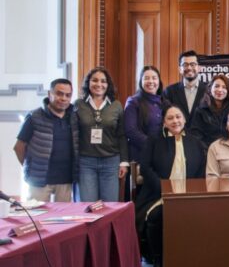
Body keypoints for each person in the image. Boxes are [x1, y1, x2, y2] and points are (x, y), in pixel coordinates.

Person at [137, 105, 206, 267]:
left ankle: (188, 259)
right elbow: (145, 168)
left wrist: (190, 193)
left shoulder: (196, 142)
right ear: (164, 122)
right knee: (156, 216)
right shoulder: (154, 141)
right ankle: (158, 260)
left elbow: (200, 171)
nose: (175, 121)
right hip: (157, 194)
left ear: (184, 119)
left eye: (178, 117)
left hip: (188, 196)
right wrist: (164, 189)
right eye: (170, 118)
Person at [13, 78, 79, 202]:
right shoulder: (34, 116)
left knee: (64, 214)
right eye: (59, 94)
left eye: (68, 95)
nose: (64, 98)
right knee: (37, 213)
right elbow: (18, 147)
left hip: (65, 180)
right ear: (50, 94)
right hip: (39, 180)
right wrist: (30, 167)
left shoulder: (74, 117)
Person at [75, 67, 129, 202]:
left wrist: (123, 162)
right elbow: (74, 135)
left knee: (110, 205)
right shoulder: (78, 104)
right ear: (88, 83)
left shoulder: (116, 105)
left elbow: (122, 135)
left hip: (111, 161)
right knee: (87, 205)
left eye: (103, 81)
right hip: (86, 162)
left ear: (108, 84)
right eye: (95, 80)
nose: (99, 84)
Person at [124, 65, 167, 164]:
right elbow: (131, 131)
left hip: (162, 156)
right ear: (141, 81)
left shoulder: (165, 102)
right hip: (140, 156)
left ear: (159, 81)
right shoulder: (133, 102)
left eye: (154, 78)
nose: (151, 81)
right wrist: (153, 145)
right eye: (146, 78)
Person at [189, 75, 229, 147]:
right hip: (208, 150)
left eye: (224, 87)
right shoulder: (201, 110)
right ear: (210, 88)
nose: (220, 90)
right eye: (216, 86)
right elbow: (196, 136)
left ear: (228, 90)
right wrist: (210, 150)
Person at [162, 50, 207, 121]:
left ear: (199, 68)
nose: (189, 68)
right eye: (185, 65)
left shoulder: (209, 90)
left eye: (192, 64)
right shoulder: (169, 92)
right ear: (180, 69)